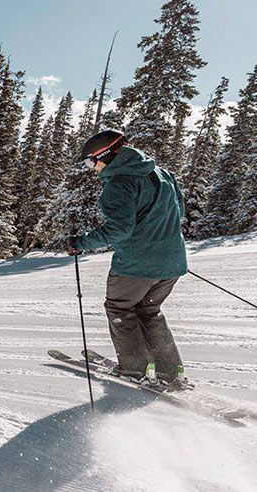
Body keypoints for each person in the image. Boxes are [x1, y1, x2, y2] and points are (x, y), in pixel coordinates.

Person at [67, 129, 190, 390]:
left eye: (91, 161)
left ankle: (136, 369)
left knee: (120, 308)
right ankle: (171, 371)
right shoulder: (162, 173)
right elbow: (178, 212)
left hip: (136, 265)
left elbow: (119, 229)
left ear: (107, 155)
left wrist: (80, 243)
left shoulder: (119, 184)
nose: (91, 168)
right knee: (148, 310)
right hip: (172, 264)